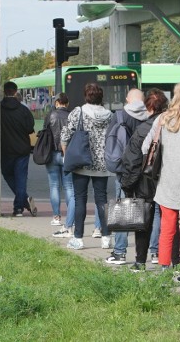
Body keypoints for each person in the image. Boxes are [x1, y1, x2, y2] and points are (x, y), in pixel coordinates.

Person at [143, 82, 180, 286]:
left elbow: (145, 147)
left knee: (167, 227)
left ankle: (165, 268)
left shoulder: (162, 119)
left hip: (166, 181)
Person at [119, 88, 171, 271]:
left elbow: (131, 161)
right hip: (167, 180)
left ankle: (140, 261)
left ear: (148, 108)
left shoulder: (141, 130)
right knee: (168, 220)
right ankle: (168, 258)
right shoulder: (172, 126)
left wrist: (127, 185)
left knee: (144, 221)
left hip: (145, 181)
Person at [61, 83, 113, 250]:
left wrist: (65, 153)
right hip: (102, 163)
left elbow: (66, 134)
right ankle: (106, 237)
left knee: (80, 199)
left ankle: (78, 238)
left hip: (82, 160)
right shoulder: (109, 115)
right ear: (101, 97)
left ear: (86, 96)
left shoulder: (79, 112)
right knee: (102, 200)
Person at [105, 88, 148, 265]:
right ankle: (154, 252)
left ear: (128, 100)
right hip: (146, 169)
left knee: (123, 207)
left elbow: (110, 139)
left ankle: (120, 252)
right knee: (149, 210)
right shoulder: (151, 116)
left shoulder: (120, 115)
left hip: (124, 169)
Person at [0, 81, 36, 217]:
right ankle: (19, 208)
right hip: (22, 150)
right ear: (16, 92)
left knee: (8, 175)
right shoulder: (23, 110)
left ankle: (23, 201)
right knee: (21, 178)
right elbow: (29, 128)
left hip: (5, 150)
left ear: (4, 92)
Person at [45, 93, 75, 236]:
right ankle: (71, 217)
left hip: (52, 154)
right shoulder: (72, 116)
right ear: (67, 103)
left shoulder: (50, 116)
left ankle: (56, 217)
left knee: (54, 186)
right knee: (69, 186)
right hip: (67, 154)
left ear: (57, 102)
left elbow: (45, 134)